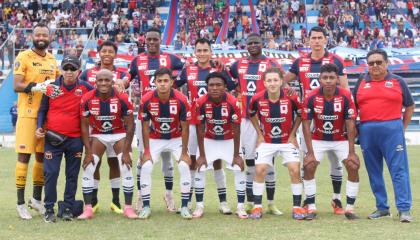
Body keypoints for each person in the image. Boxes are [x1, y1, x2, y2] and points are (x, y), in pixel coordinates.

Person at [284, 26, 349, 215]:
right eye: (314, 38)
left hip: (333, 114)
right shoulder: (300, 62)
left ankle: (336, 199)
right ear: (308, 40)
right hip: (309, 116)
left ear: (325, 40)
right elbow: (283, 80)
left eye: (320, 38)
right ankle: (308, 199)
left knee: (336, 160)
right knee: (308, 160)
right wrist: (291, 90)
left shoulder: (336, 60)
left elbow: (344, 88)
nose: (317, 41)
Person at [353, 49, 414, 222]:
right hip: (367, 132)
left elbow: (409, 106)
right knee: (374, 172)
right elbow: (353, 109)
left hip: (392, 131)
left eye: (379, 62)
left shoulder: (398, 81)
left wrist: (402, 128)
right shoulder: (360, 82)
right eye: (371, 63)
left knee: (399, 171)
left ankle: (404, 209)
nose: (375, 66)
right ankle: (382, 207)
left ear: (386, 63)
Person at [128, 27, 185, 212]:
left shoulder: (171, 59)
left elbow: (185, 69)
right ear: (145, 41)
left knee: (168, 159)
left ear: (160, 41)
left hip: (168, 112)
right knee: (143, 157)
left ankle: (168, 195)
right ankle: (140, 195)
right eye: (149, 39)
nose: (152, 42)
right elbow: (129, 76)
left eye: (155, 39)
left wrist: (175, 82)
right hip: (146, 113)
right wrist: (123, 81)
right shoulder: (138, 60)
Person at [175, 38, 233, 214]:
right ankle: (190, 201)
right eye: (198, 50)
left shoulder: (218, 68)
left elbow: (231, 87)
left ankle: (223, 202)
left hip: (215, 120)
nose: (202, 54)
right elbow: (174, 85)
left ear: (211, 51)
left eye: (205, 50)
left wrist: (224, 69)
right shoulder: (188, 69)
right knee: (193, 161)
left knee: (216, 162)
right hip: (194, 121)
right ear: (195, 52)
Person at [229, 33, 282, 214]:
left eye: (256, 43)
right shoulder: (238, 64)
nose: (252, 45)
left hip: (268, 117)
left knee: (269, 160)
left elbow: (281, 85)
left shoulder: (272, 64)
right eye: (249, 43)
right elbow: (230, 82)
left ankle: (271, 203)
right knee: (250, 161)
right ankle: (251, 201)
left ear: (262, 44)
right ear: (246, 45)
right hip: (246, 119)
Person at [36, 56, 93, 222]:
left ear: (79, 71)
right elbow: (42, 110)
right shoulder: (51, 87)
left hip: (75, 140)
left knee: (72, 175)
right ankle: (49, 209)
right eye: (66, 68)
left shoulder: (86, 88)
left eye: (72, 69)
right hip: (53, 139)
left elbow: (99, 96)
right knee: (51, 173)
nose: (69, 72)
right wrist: (40, 126)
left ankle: (68, 207)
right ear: (61, 70)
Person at [13, 22, 60, 220]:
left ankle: (36, 200)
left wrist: (55, 89)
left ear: (50, 37)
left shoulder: (52, 59)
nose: (41, 37)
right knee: (24, 157)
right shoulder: (23, 56)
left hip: (46, 117)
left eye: (45, 34)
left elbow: (56, 86)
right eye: (38, 34)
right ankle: (20, 203)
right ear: (32, 36)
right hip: (27, 115)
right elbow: (16, 85)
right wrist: (37, 87)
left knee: (42, 158)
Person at [301, 63, 360, 220]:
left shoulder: (346, 96)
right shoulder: (311, 96)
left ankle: (349, 208)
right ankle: (311, 206)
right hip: (318, 139)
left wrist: (352, 152)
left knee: (353, 165)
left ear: (337, 80)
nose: (328, 81)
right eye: (325, 78)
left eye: (332, 78)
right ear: (319, 79)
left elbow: (350, 123)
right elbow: (306, 125)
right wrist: (310, 153)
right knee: (309, 165)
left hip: (340, 139)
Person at [78, 69, 137, 220]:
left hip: (119, 134)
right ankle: (88, 208)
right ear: (95, 82)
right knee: (89, 167)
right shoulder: (87, 99)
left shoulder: (122, 98)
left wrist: (126, 151)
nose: (103, 83)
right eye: (100, 80)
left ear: (112, 82)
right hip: (98, 135)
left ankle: (128, 208)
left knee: (125, 166)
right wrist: (88, 151)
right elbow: (84, 127)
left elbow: (131, 126)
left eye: (107, 80)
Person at [248, 67, 305, 220]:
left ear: (281, 81)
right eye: (269, 80)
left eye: (275, 80)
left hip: (287, 140)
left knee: (294, 170)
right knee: (259, 170)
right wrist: (259, 134)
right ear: (264, 83)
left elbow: (300, 115)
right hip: (267, 141)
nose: (272, 83)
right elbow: (251, 114)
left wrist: (293, 135)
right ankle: (257, 207)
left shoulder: (291, 97)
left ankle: (297, 208)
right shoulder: (256, 98)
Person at [138, 67, 192, 219]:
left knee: (183, 165)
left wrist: (184, 152)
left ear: (172, 82)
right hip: (155, 139)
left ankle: (184, 206)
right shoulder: (146, 99)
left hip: (176, 139)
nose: (162, 84)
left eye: (166, 81)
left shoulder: (181, 99)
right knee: (146, 166)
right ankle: (146, 206)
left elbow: (185, 127)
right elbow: (144, 125)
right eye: (159, 81)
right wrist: (147, 151)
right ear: (154, 82)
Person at [193, 72, 246, 219]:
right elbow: (200, 128)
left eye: (218, 85)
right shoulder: (200, 102)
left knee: (239, 168)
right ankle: (199, 206)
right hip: (209, 140)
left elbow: (237, 128)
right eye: (211, 85)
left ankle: (240, 207)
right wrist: (202, 155)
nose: (214, 88)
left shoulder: (233, 102)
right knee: (200, 168)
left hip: (229, 140)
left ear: (225, 87)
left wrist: (236, 155)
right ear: (207, 87)